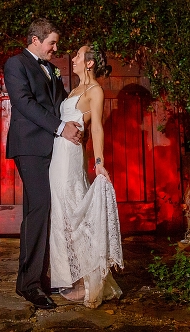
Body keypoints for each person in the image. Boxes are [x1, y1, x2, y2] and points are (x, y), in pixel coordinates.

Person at [4, 18, 82, 310]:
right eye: (52, 43)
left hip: (53, 148)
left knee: (47, 209)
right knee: (41, 207)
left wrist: (81, 110)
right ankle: (31, 285)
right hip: (30, 147)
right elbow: (24, 103)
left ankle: (34, 277)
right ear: (35, 40)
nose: (56, 48)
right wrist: (61, 128)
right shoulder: (16, 64)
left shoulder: (51, 68)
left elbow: (60, 103)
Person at [49, 42, 124, 308]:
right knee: (62, 214)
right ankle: (73, 277)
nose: (73, 59)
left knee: (73, 214)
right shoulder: (75, 89)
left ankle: (88, 283)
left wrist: (100, 162)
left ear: (89, 63)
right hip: (58, 155)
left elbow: (97, 129)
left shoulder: (94, 90)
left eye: (78, 56)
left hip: (70, 157)